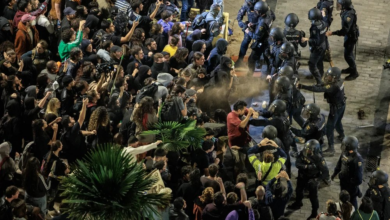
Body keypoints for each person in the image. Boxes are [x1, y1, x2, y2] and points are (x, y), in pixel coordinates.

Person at [297, 67, 346, 156]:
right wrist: (321, 85)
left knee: (330, 128)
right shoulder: (340, 81)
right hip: (342, 105)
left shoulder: (333, 86)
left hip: (335, 108)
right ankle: (342, 135)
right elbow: (325, 85)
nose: (328, 78)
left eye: (331, 77)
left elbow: (320, 89)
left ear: (335, 77)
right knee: (338, 122)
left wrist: (302, 86)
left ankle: (331, 148)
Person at [288, 139, 330, 220]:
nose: (307, 151)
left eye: (309, 150)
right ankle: (298, 203)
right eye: (307, 149)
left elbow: (325, 172)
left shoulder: (319, 158)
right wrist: (306, 167)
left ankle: (314, 213)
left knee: (313, 197)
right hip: (302, 176)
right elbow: (297, 163)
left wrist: (317, 180)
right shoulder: (303, 152)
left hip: (312, 179)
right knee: (298, 190)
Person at [250, 99, 294, 176]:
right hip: (288, 136)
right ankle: (287, 170)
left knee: (284, 155)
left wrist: (250, 121)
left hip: (283, 140)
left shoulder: (277, 120)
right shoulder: (283, 112)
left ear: (277, 111)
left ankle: (286, 172)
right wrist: (259, 113)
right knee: (285, 154)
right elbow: (269, 113)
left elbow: (264, 122)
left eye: (274, 108)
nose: (272, 109)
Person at [326, 0, 359, 81]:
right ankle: (351, 68)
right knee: (349, 53)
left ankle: (354, 72)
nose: (338, 6)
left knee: (348, 55)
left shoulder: (349, 15)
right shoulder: (347, 10)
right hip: (349, 35)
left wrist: (333, 33)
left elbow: (345, 31)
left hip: (351, 36)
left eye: (340, 5)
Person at [331, 136, 363, 209]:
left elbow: (359, 178)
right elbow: (339, 164)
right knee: (344, 198)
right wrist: (335, 173)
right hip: (343, 182)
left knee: (352, 201)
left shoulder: (357, 159)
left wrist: (351, 182)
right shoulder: (344, 153)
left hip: (351, 186)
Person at [247, 1, 274, 75]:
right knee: (266, 59)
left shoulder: (262, 23)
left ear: (261, 12)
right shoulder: (269, 14)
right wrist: (254, 24)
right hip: (267, 39)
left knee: (251, 60)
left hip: (261, 42)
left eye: (257, 11)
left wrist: (248, 32)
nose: (255, 12)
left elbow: (257, 37)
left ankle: (249, 76)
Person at [227, 101, 254, 172]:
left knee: (243, 158)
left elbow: (253, 113)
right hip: (235, 143)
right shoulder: (231, 116)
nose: (245, 110)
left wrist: (253, 113)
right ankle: (238, 174)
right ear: (239, 110)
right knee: (237, 161)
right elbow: (242, 125)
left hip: (243, 141)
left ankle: (244, 170)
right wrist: (249, 115)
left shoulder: (241, 111)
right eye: (244, 110)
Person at [303, 8, 328, 85]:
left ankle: (319, 81)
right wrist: (324, 16)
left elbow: (316, 41)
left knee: (312, 64)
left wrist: (307, 39)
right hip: (323, 46)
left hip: (317, 48)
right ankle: (320, 74)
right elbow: (326, 21)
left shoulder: (315, 27)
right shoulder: (323, 23)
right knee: (319, 61)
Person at [235, 0, 260, 67]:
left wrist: (256, 24)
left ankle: (257, 61)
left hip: (259, 28)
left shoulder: (260, 5)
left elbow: (266, 18)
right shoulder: (246, 5)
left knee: (258, 45)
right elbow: (240, 14)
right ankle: (240, 60)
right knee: (245, 42)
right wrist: (242, 23)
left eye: (249, 3)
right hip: (249, 27)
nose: (248, 4)